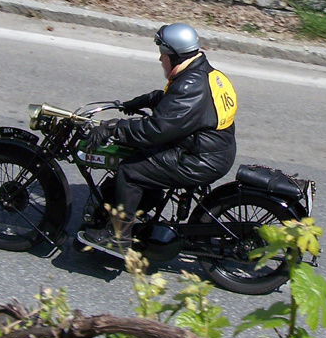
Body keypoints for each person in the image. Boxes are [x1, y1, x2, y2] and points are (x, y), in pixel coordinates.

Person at [76, 23, 237, 255]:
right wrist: (140, 102)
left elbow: (155, 129)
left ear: (175, 55)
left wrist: (113, 129)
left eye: (163, 54)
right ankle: (141, 206)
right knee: (145, 160)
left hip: (199, 158)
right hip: (209, 148)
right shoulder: (203, 73)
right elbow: (173, 101)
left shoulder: (191, 85)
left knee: (130, 171)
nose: (160, 59)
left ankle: (119, 237)